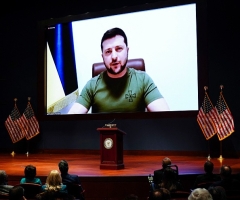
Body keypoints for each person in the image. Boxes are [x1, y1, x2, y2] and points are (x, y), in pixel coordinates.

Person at [68, 27, 169, 114]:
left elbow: (166, 117)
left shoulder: (143, 80)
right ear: (102, 56)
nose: (114, 56)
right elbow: (71, 119)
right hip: (103, 137)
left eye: (119, 49)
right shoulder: (92, 85)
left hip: (136, 136)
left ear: (127, 51)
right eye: (108, 51)